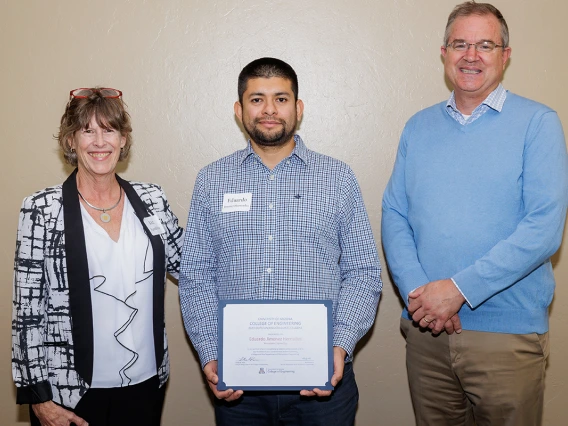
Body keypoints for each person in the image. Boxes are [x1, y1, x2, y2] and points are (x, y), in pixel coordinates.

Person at [382, 2, 567, 425]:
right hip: (427, 332)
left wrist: (458, 291)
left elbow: (543, 230)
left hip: (506, 336)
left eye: (485, 45)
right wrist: (420, 298)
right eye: (460, 44)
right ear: (444, 52)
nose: (471, 55)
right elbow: (395, 213)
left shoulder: (538, 123)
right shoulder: (418, 127)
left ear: (506, 55)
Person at [179, 57, 382, 425]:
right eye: (257, 99)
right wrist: (210, 353)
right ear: (239, 110)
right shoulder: (211, 181)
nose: (269, 110)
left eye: (281, 99)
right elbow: (195, 275)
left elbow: (364, 272)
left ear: (298, 108)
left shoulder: (338, 178)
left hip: (324, 388)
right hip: (239, 390)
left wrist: (339, 346)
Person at [12, 87, 184, 426]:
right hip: (70, 394)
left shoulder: (152, 199)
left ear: (123, 140)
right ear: (71, 141)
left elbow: (191, 266)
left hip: (146, 384)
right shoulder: (41, 210)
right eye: (87, 131)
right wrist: (39, 397)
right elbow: (27, 311)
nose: (99, 141)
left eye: (108, 129)